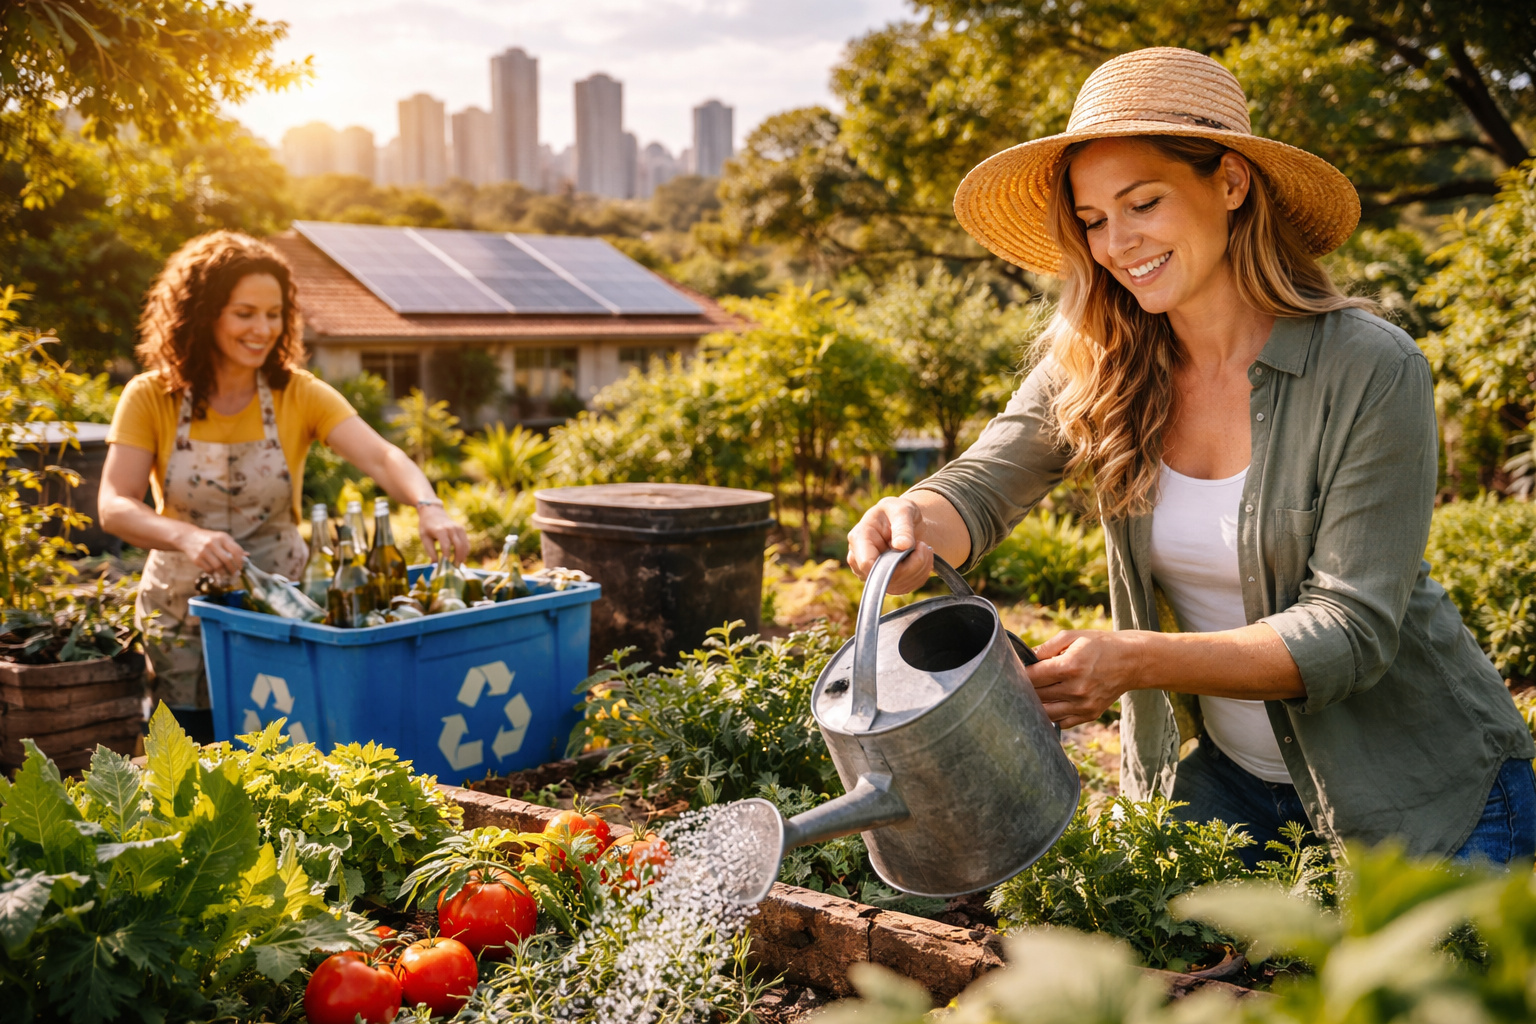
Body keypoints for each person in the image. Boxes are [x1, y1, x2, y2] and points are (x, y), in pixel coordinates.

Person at [846, 47, 1536, 865]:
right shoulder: (1100, 358)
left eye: (1143, 203)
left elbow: (1351, 630)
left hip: (1424, 788)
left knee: (1401, 996)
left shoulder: (1370, 367)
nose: (1116, 243)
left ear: (1231, 184)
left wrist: (1135, 660)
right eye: (1094, 219)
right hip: (1232, 785)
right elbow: (982, 486)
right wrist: (910, 521)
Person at [100, 231, 469, 742]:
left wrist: (429, 505)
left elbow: (383, 456)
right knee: (191, 755)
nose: (263, 329)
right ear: (203, 313)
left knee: (289, 747)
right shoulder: (151, 397)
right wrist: (186, 536)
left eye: (274, 314)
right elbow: (114, 505)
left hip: (282, 610)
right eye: (245, 313)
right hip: (182, 611)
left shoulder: (297, 392)